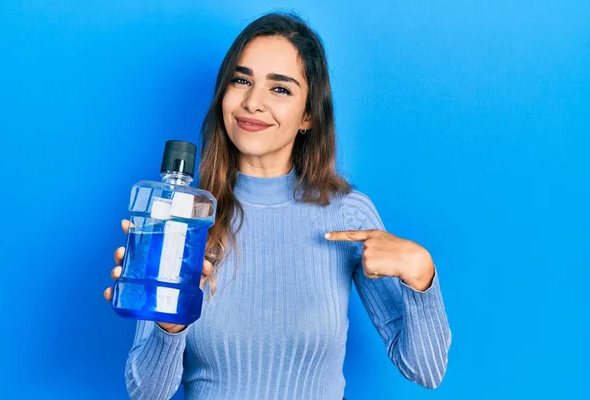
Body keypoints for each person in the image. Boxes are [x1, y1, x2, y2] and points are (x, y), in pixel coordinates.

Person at [104, 12, 451, 400]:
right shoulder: (184, 217)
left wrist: (421, 275)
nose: (253, 102)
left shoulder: (347, 215)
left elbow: (426, 369)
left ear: (308, 116)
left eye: (280, 89)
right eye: (242, 80)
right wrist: (171, 321)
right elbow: (146, 393)